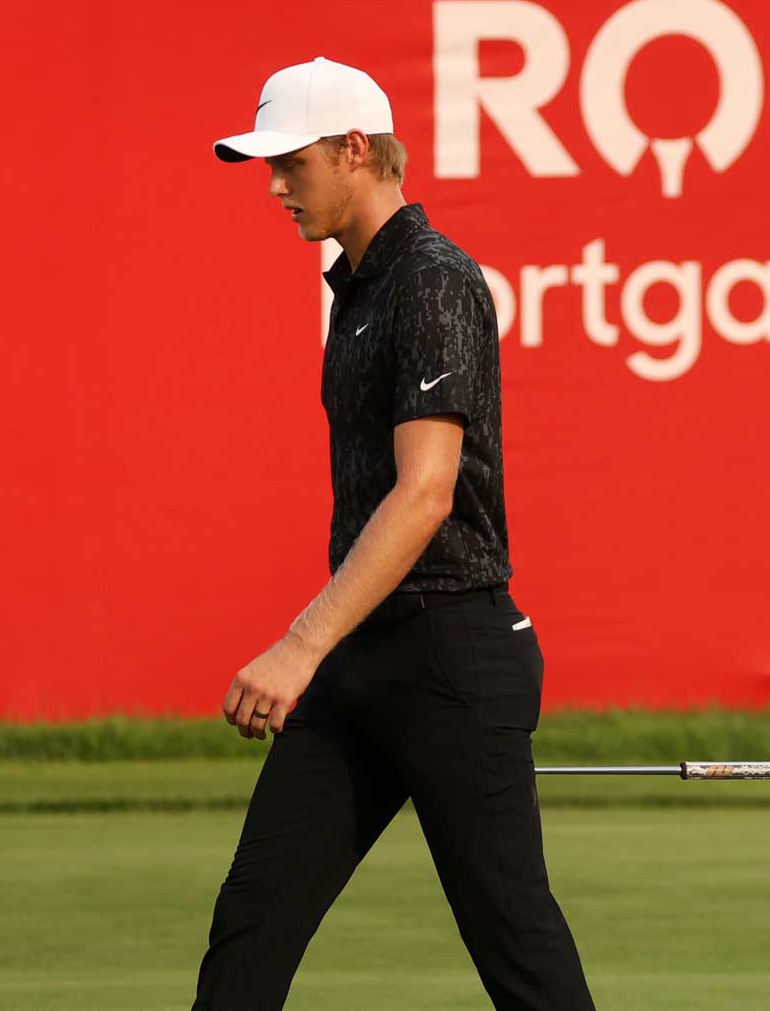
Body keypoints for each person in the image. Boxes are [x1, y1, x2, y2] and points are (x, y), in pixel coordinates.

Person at [193, 57, 598, 1010]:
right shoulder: (359, 286)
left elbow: (425, 496)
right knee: (253, 922)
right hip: (365, 665)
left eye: (291, 163)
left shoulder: (434, 281)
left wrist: (299, 646)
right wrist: (327, 654)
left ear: (354, 151)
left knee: (520, 955)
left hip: (451, 657)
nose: (275, 186)